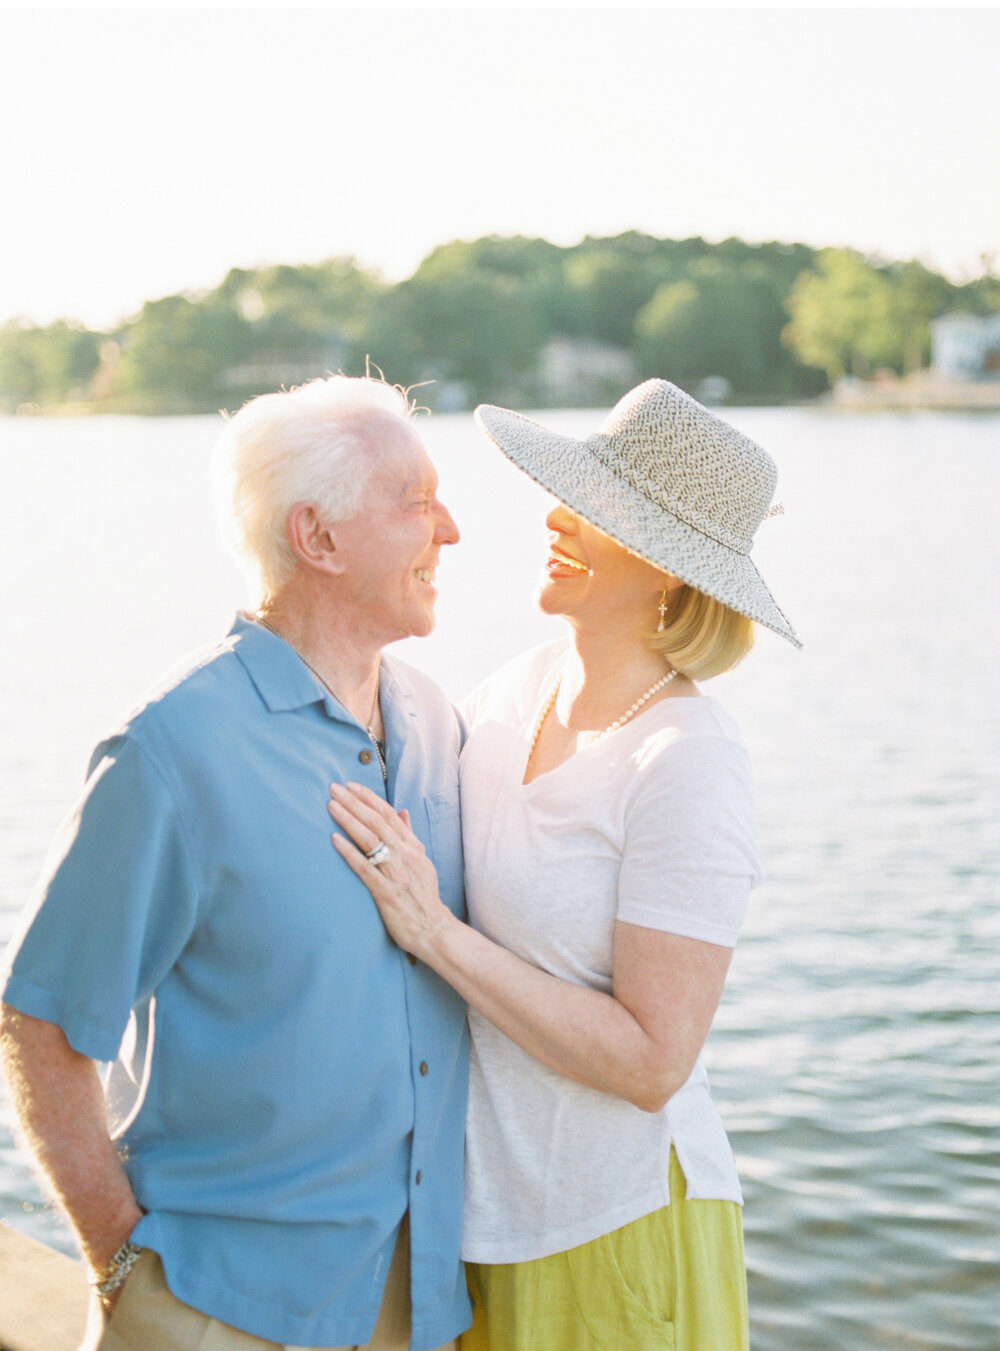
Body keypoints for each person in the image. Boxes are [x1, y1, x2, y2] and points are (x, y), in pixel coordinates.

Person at [326, 379, 801, 1351]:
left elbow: (651, 1060)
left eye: (595, 509)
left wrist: (437, 936)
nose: (554, 516)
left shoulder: (687, 761)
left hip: (613, 1228)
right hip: (475, 1218)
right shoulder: (514, 689)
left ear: (671, 571)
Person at [0, 375, 471, 1351]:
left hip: (411, 1309)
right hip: (221, 1313)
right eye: (417, 503)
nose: (453, 531)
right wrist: (124, 1270)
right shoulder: (171, 750)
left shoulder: (434, 720)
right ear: (319, 538)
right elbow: (39, 1020)